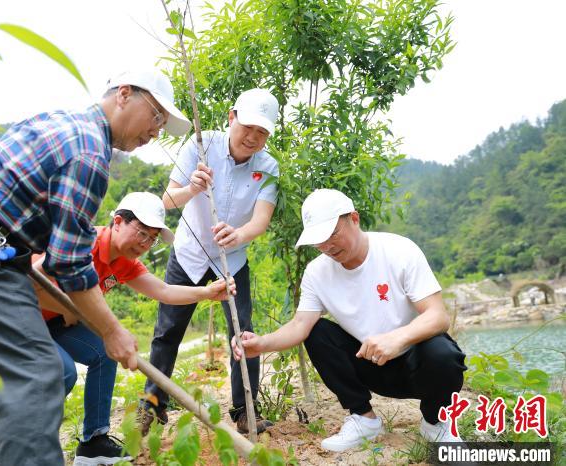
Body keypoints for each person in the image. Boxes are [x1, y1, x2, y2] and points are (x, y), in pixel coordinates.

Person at [0, 69, 191, 465]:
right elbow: (68, 263)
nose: (156, 132)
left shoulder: (61, 123)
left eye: (164, 124)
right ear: (124, 94)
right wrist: (112, 331)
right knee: (38, 376)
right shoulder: (90, 153)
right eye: (156, 116)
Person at [231, 189, 467, 452]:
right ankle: (363, 418)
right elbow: (299, 326)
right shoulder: (317, 272)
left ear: (354, 218)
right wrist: (261, 344)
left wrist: (396, 338)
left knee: (443, 353)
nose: (327, 246)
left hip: (418, 366)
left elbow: (438, 315)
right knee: (316, 331)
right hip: (369, 366)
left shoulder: (399, 250)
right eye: (318, 240)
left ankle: (435, 423)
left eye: (332, 234)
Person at [32, 192, 234, 465]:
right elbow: (29, 280)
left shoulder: (124, 262)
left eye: (151, 239)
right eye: (142, 233)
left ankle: (94, 443)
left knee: (104, 353)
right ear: (117, 222)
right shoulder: (83, 242)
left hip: (56, 322)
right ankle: (27, 445)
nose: (145, 244)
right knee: (62, 371)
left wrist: (207, 292)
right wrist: (68, 308)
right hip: (24, 313)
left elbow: (163, 291)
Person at [141, 88, 280, 435]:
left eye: (262, 132)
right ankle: (152, 405)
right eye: (248, 126)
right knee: (168, 331)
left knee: (242, 334)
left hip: (231, 259)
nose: (253, 137)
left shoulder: (268, 167)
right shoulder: (201, 145)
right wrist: (191, 188)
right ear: (232, 117)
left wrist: (240, 235)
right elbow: (167, 200)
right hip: (188, 253)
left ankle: (245, 410)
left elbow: (261, 221)